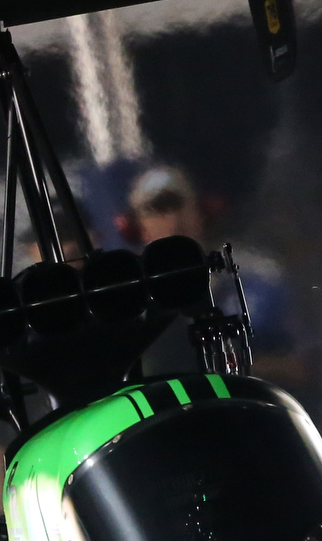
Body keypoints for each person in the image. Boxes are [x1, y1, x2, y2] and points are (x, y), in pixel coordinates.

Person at [123, 164, 305, 385]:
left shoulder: (255, 274)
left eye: (178, 206)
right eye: (157, 210)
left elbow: (301, 365)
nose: (173, 219)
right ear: (138, 226)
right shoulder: (131, 298)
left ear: (200, 211)